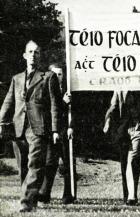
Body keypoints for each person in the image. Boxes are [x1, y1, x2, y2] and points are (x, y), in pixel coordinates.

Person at [0, 40, 61, 212]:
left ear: (40, 56)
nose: (33, 55)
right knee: (22, 168)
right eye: (30, 52)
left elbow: (55, 105)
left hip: (38, 128)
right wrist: (0, 121)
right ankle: (29, 199)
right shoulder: (16, 78)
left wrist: (55, 130)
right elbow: (8, 101)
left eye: (37, 52)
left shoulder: (48, 77)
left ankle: (25, 203)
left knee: (35, 164)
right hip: (19, 128)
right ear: (25, 55)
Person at [37, 63, 76, 204]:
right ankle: (45, 193)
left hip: (66, 131)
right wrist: (63, 103)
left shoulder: (69, 89)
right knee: (50, 163)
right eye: (55, 74)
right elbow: (52, 110)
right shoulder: (46, 90)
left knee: (67, 164)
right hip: (52, 132)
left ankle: (68, 194)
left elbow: (74, 112)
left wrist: (71, 126)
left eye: (60, 74)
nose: (58, 77)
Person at [103, 90, 140, 205]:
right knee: (127, 161)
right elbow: (113, 106)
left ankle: (132, 194)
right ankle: (129, 195)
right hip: (124, 129)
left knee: (133, 158)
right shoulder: (119, 87)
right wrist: (108, 120)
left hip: (137, 126)